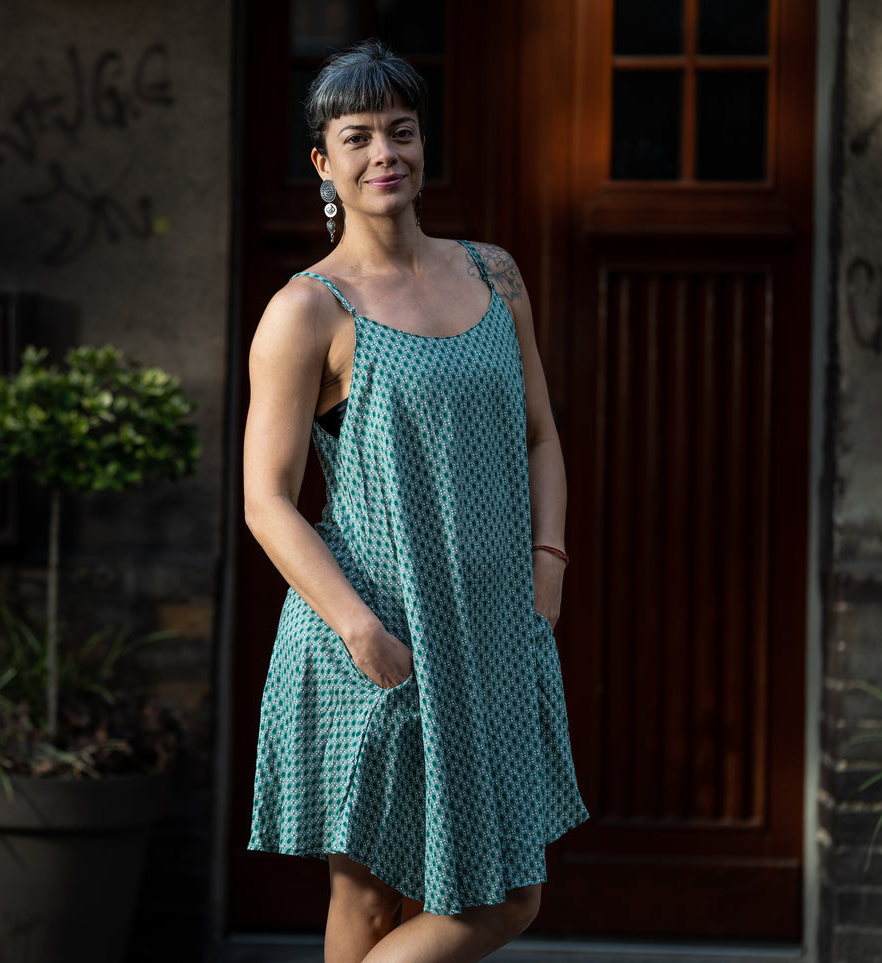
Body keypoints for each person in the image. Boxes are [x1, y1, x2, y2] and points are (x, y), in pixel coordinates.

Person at [243, 40, 588, 963]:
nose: (383, 152)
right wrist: (359, 629)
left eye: (400, 130)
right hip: (370, 632)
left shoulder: (492, 273)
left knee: (509, 894)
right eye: (356, 136)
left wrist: (547, 561)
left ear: (423, 145)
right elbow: (265, 502)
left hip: (489, 632)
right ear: (323, 162)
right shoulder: (306, 310)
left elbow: (541, 436)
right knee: (362, 903)